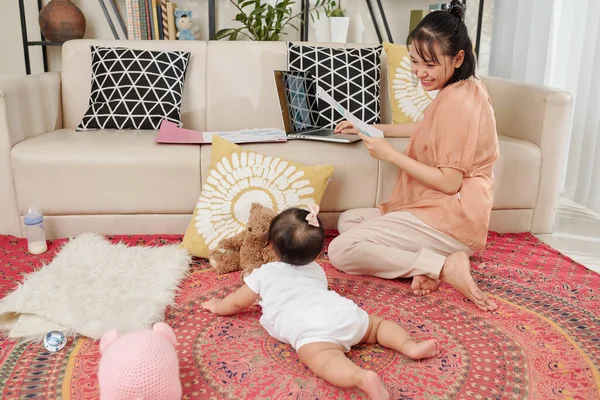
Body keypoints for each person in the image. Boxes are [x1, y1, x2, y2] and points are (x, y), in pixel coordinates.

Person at [329, 0, 499, 312]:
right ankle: (432, 262)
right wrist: (369, 127)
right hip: (445, 212)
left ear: (458, 58)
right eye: (415, 61)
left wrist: (389, 154)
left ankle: (443, 266)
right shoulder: (465, 88)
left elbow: (449, 183)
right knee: (349, 220)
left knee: (342, 250)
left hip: (452, 216)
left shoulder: (456, 103)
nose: (420, 72)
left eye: (430, 65)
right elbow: (428, 127)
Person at [202, 205, 437, 400]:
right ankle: (409, 346)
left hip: (313, 331)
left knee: (324, 358)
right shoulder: (317, 270)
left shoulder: (264, 274)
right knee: (377, 326)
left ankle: (360, 377)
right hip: (345, 314)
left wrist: (217, 305)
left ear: (271, 246)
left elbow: (235, 303)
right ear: (317, 253)